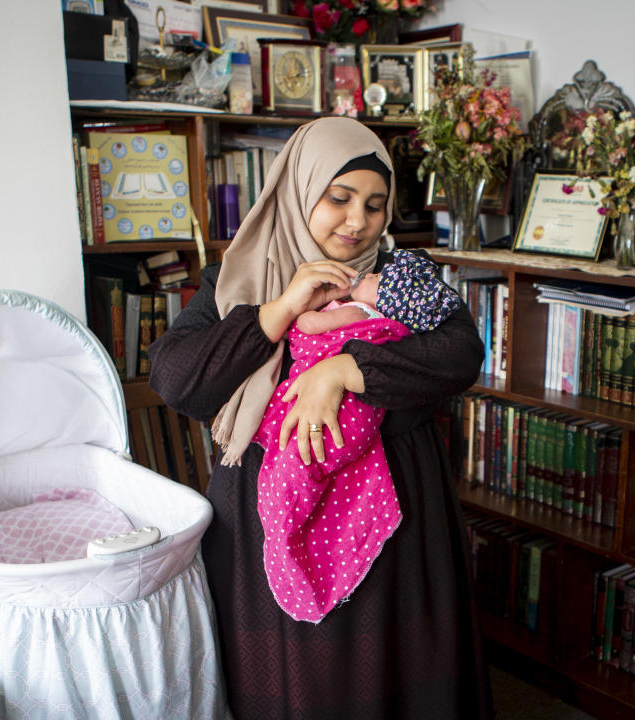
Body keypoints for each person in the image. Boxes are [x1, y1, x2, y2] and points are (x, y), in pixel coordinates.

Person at [148, 117, 492, 719]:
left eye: (375, 205)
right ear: (300, 188)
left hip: (394, 507)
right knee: (294, 679)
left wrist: (344, 372)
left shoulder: (403, 278)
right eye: (339, 198)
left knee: (393, 670)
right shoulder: (235, 280)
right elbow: (177, 381)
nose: (357, 221)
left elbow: (462, 352)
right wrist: (281, 309)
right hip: (265, 508)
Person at [253, 250, 462, 625]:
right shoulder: (387, 318)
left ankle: (283, 535)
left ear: (385, 301)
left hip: (342, 418)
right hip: (359, 419)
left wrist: (303, 310)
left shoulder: (362, 314)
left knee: (297, 466)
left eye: (378, 282)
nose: (371, 276)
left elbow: (311, 326)